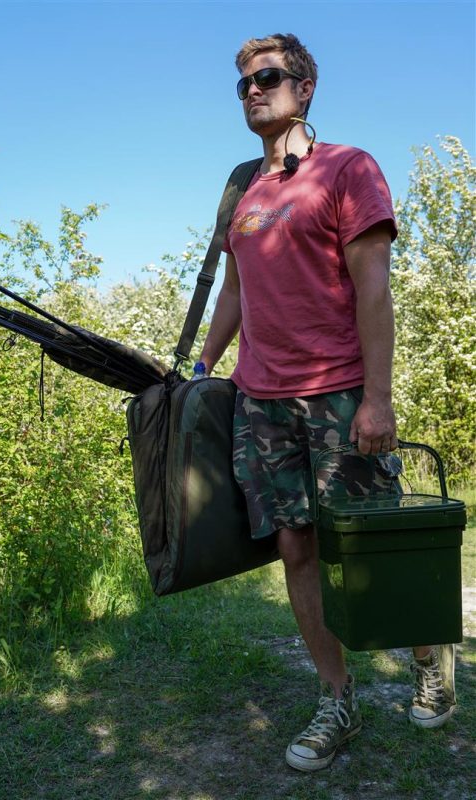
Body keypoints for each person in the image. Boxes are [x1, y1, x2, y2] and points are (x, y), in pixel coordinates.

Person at [196, 33, 456, 772]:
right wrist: (202, 363)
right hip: (261, 402)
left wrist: (377, 398)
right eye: (242, 82)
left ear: (304, 88)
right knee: (296, 547)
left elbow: (372, 286)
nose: (252, 90)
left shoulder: (347, 168)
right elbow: (236, 291)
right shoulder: (244, 191)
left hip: (339, 394)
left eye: (267, 77)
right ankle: (335, 698)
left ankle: (428, 661)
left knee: (371, 540)